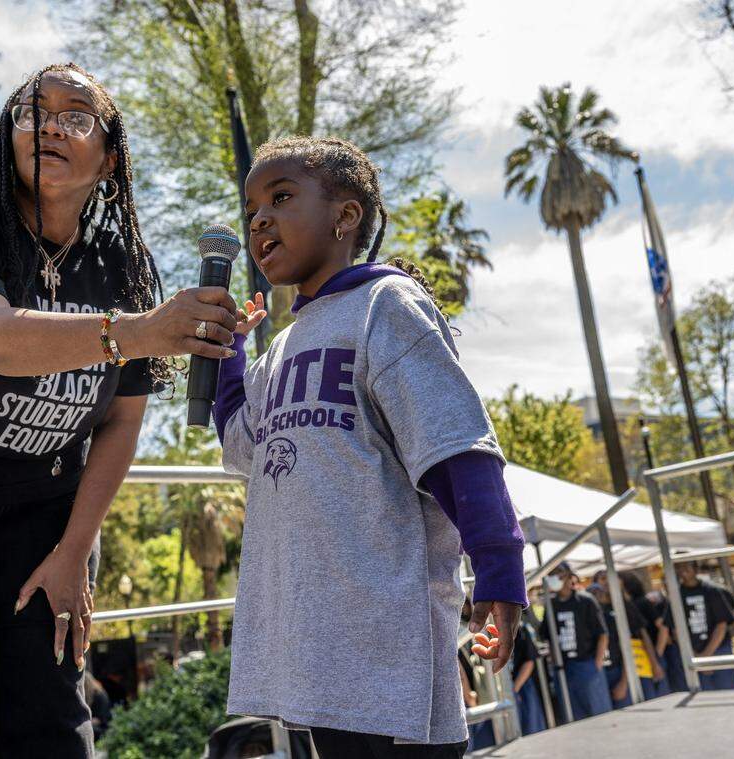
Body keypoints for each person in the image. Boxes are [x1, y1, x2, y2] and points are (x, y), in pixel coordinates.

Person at [0, 64, 242, 758]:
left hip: (41, 497)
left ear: (110, 158)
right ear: (9, 134)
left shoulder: (123, 263)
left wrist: (75, 549)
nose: (51, 124)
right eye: (34, 111)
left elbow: (120, 421)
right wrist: (137, 330)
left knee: (53, 708)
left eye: (76, 115)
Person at [213, 136, 527, 758]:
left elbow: (455, 444)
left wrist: (499, 564)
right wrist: (229, 352)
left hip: (387, 642)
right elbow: (241, 445)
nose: (259, 219)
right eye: (251, 209)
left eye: (280, 197)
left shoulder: (386, 305)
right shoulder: (282, 346)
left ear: (346, 215)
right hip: (316, 650)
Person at [541, 563, 611, 720]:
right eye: (551, 575)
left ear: (568, 576)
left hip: (587, 664)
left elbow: (602, 634)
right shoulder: (551, 604)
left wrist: (596, 664)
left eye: (557, 574)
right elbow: (547, 636)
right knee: (573, 717)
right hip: (564, 668)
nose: (554, 579)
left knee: (598, 715)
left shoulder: (585, 600)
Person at [660, 560, 734, 690]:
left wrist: (706, 656)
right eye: (678, 567)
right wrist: (694, 656)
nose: (682, 570)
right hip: (693, 655)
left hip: (718, 652)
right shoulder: (676, 596)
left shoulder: (712, 590)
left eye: (686, 566)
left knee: (729, 692)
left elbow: (722, 625)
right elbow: (675, 630)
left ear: (696, 569)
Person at [588, 581, 661, 707]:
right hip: (604, 672)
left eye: (599, 591)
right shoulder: (594, 615)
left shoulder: (621, 608)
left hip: (629, 668)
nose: (597, 595)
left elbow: (638, 639)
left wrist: (655, 664)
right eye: (592, 593)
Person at [510, 620, 547, 735]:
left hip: (521, 687)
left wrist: (514, 690)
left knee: (532, 729)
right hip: (505, 691)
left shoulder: (520, 629)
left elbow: (529, 662)